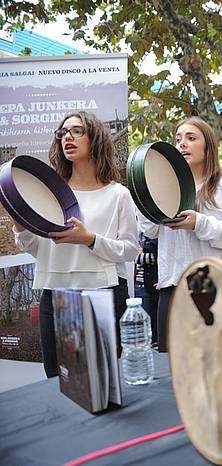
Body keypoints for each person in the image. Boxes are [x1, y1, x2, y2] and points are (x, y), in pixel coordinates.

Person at [14, 111, 139, 377]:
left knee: (104, 382)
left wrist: (90, 240)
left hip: (103, 293)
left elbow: (129, 249)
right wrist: (20, 226)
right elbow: (38, 249)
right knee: (57, 381)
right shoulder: (49, 194)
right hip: (54, 294)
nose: (67, 137)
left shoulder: (118, 195)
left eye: (77, 131)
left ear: (95, 139)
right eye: (62, 133)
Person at [138, 116, 222, 352]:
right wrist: (146, 194)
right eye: (178, 139)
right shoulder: (166, 188)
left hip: (216, 287)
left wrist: (199, 223)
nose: (182, 144)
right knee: (174, 372)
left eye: (191, 138)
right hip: (173, 287)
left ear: (208, 146)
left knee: (220, 365)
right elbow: (149, 231)